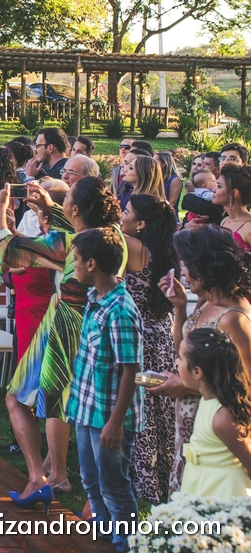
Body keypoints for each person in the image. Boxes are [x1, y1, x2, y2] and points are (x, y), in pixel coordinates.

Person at [0, 176, 125, 504]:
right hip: (87, 325)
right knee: (59, 405)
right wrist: (50, 206)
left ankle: (47, 477)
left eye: (66, 197)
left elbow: (5, 250)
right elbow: (79, 229)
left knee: (38, 402)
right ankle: (53, 474)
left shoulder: (71, 245)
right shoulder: (113, 237)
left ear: (75, 208)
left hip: (65, 326)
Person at [148, 225, 251, 492]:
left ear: (207, 266)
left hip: (214, 422)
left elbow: (244, 383)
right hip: (190, 414)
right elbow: (185, 350)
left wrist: (181, 385)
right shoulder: (206, 301)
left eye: (188, 264)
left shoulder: (233, 318)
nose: (182, 271)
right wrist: (179, 308)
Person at [63, 227, 143, 551]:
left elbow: (130, 370)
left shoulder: (120, 310)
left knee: (114, 486)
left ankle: (127, 543)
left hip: (109, 417)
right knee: (91, 482)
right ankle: (103, 535)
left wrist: (116, 422)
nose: (74, 264)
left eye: (78, 259)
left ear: (92, 263)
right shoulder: (95, 298)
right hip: (87, 408)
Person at [119, 194, 179, 503]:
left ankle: (138, 478)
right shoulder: (166, 252)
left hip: (137, 339)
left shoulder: (130, 245)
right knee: (158, 408)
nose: (120, 214)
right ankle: (161, 476)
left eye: (126, 211)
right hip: (162, 338)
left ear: (140, 224)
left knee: (136, 406)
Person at [177, 327, 251, 497]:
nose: (176, 362)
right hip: (201, 483)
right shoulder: (206, 400)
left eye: (181, 359)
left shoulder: (222, 418)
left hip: (224, 492)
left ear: (197, 371)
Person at [215, 165, 251, 250]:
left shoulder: (249, 227)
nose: (214, 189)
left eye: (219, 186)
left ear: (234, 193)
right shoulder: (225, 221)